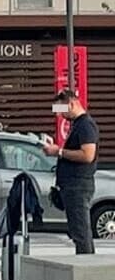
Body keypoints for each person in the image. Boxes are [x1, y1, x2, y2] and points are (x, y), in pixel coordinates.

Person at [44, 90, 100, 255]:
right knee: (77, 229)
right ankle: (84, 260)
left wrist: (59, 152)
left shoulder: (86, 125)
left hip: (78, 184)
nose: (60, 115)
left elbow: (88, 155)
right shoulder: (78, 125)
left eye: (61, 109)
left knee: (81, 230)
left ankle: (86, 265)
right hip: (72, 184)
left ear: (71, 104)